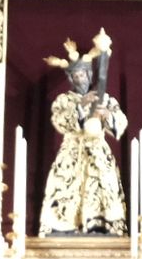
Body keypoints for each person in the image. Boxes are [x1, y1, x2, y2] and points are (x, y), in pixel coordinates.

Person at [37, 30, 127, 237]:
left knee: (101, 185)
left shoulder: (104, 98)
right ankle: (66, 227)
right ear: (71, 78)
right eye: (76, 75)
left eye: (84, 74)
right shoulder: (64, 100)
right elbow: (60, 121)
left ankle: (100, 225)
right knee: (68, 188)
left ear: (90, 75)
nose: (81, 79)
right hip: (72, 152)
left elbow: (120, 122)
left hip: (97, 151)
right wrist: (80, 107)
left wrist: (107, 116)